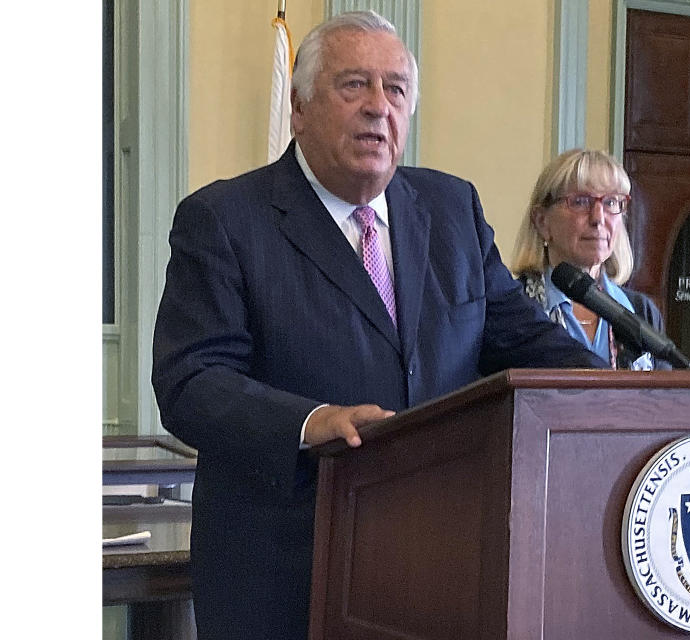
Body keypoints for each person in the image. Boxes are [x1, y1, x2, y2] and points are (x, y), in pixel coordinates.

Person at [151, 11, 605, 640]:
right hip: (286, 573)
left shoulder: (451, 210)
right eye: (352, 86)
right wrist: (314, 422)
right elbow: (191, 382)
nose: (377, 107)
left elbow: (523, 342)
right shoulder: (226, 219)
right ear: (300, 106)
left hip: (437, 566)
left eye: (394, 89)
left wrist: (617, 396)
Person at [511, 149, 673, 370]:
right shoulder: (515, 307)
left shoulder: (641, 311)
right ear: (542, 221)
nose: (598, 218)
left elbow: (662, 400)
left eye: (611, 202)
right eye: (580, 202)